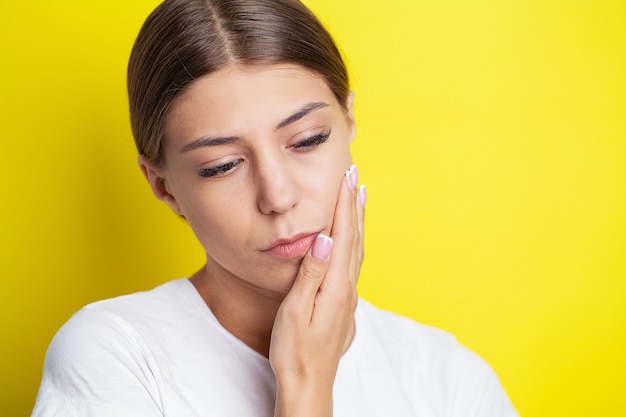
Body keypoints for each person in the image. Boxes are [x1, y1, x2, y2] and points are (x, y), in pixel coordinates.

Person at [32, 0, 519, 416]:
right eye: (223, 166)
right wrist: (305, 388)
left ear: (348, 121)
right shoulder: (114, 358)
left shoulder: (451, 381)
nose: (278, 196)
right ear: (164, 187)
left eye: (307, 140)